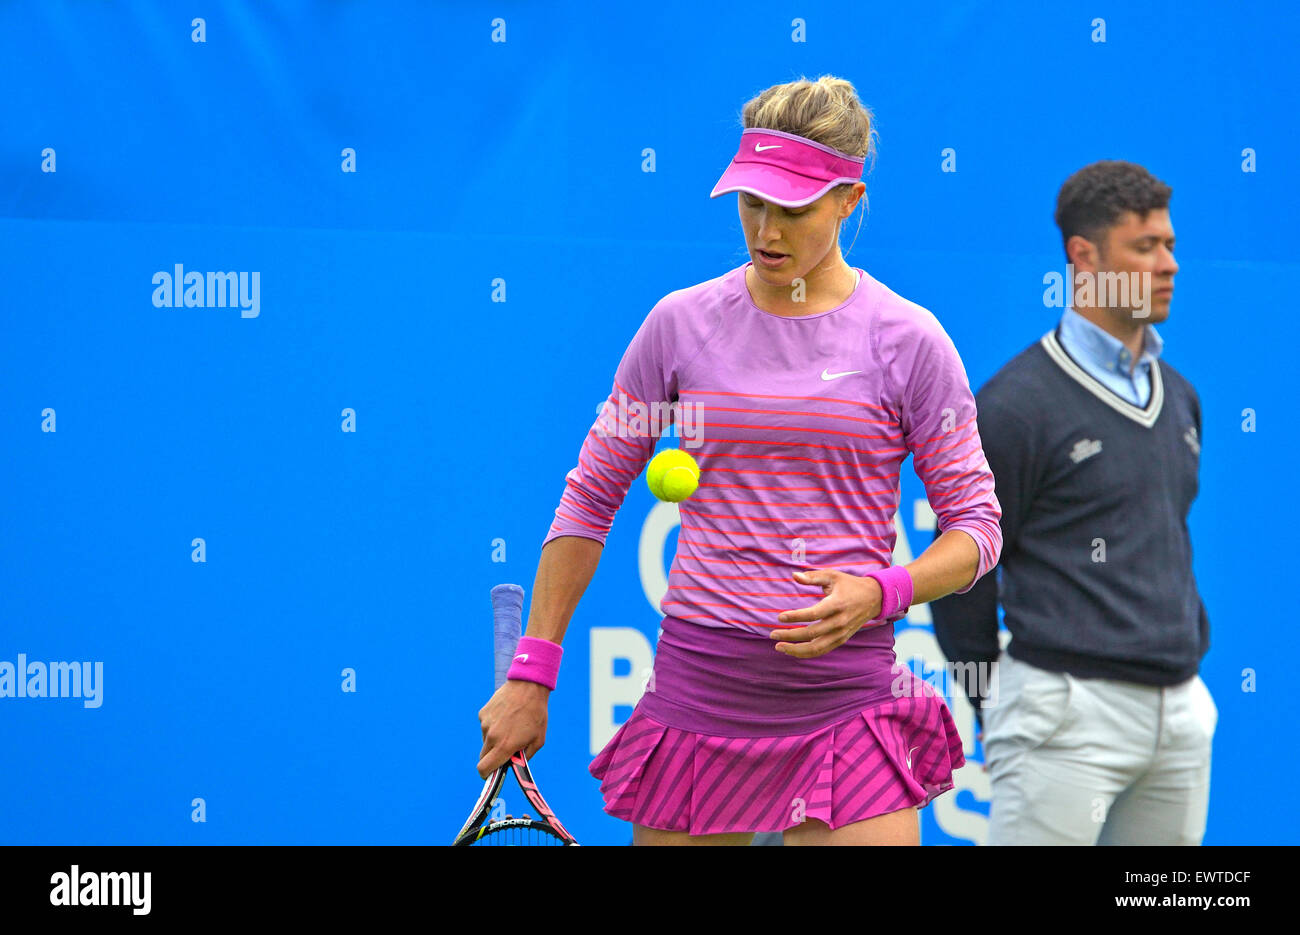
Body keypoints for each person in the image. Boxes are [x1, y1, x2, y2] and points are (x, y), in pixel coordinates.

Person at [477, 75, 1003, 846]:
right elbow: (590, 497)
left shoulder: (910, 341)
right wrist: (534, 669)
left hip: (849, 704)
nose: (766, 229)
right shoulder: (678, 325)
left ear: (848, 199)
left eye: (793, 208)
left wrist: (882, 590)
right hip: (700, 699)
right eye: (751, 201)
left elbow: (977, 529)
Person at [929, 160, 1215, 845]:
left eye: (1170, 244)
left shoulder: (1179, 397)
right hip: (1062, 711)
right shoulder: (1015, 407)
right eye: (1144, 247)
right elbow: (961, 572)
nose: (1168, 263)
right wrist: (996, 700)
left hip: (1180, 715)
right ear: (1083, 257)